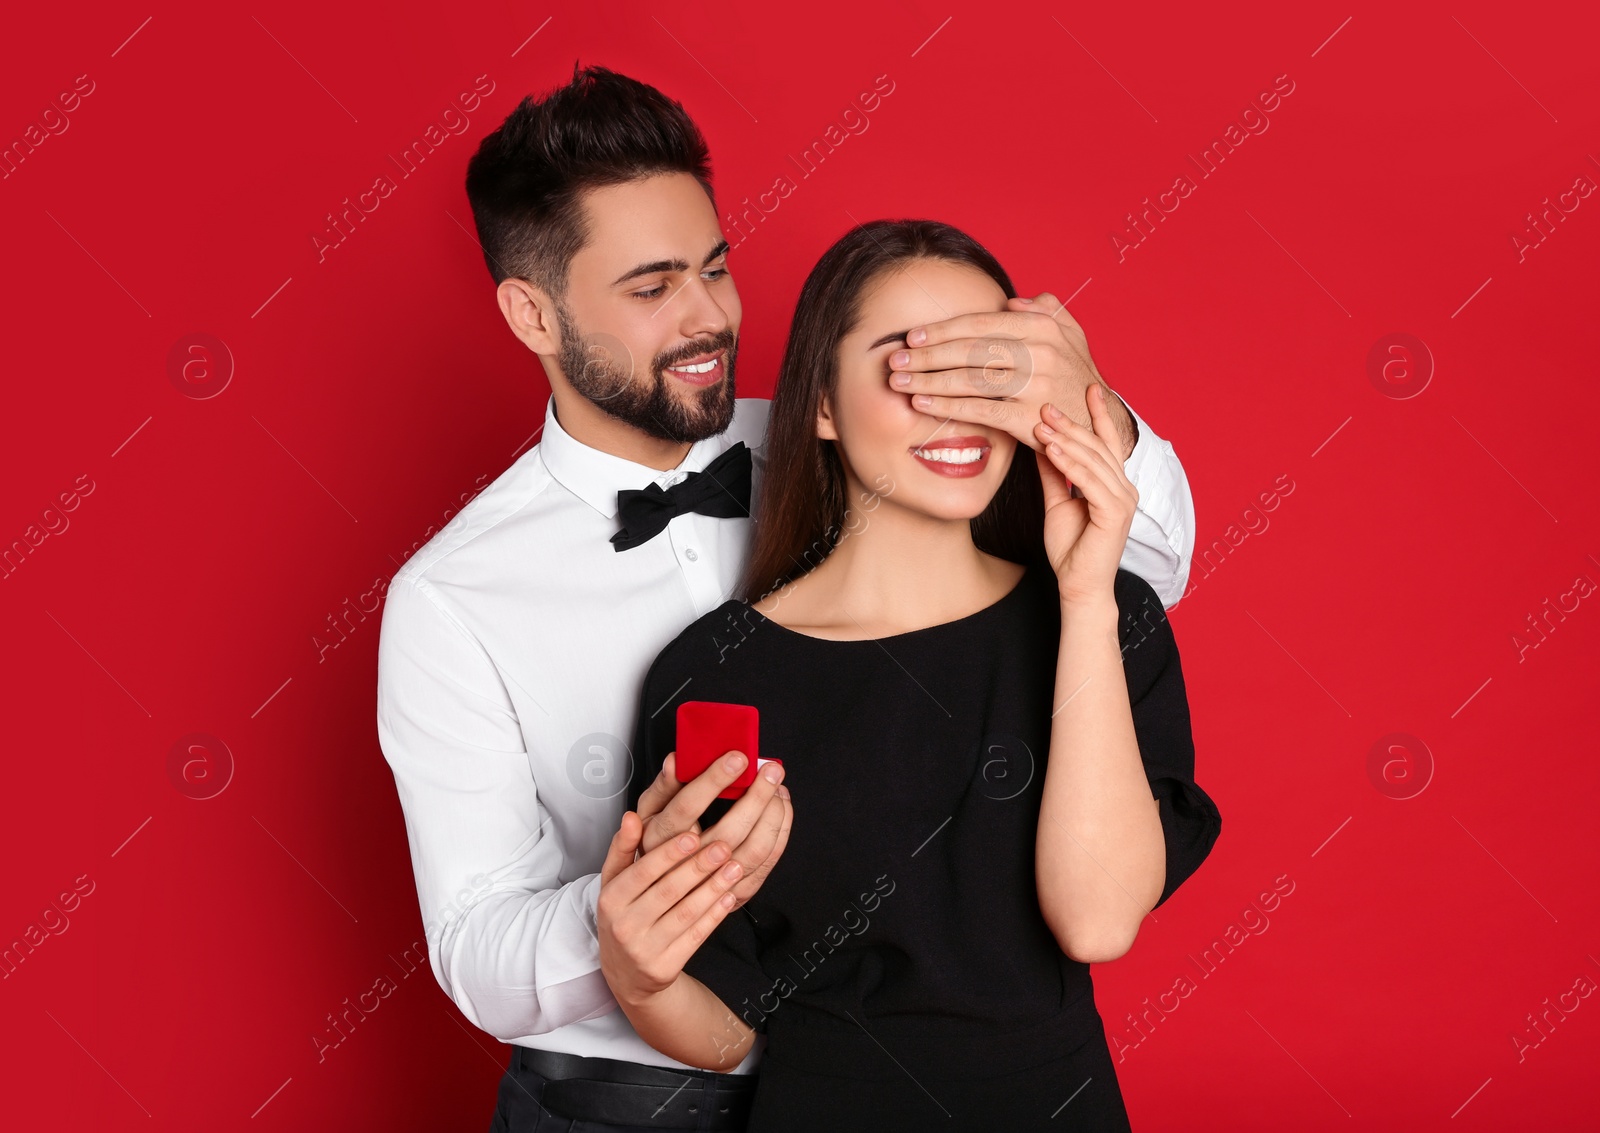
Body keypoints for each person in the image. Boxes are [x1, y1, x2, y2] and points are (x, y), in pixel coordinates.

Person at [375, 63, 1198, 1133]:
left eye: (715, 267)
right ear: (532, 313)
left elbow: (1141, 563)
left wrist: (1085, 401)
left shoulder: (883, 436)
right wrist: (640, 923)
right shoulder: (452, 595)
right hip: (635, 1094)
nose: (710, 314)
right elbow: (477, 942)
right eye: (651, 285)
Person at [613, 219, 1222, 1132]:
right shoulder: (714, 672)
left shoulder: (1103, 614)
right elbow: (725, 1027)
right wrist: (636, 970)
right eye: (910, 366)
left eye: (988, 368)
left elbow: (1096, 923)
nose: (957, 407)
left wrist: (1087, 597)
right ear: (820, 403)